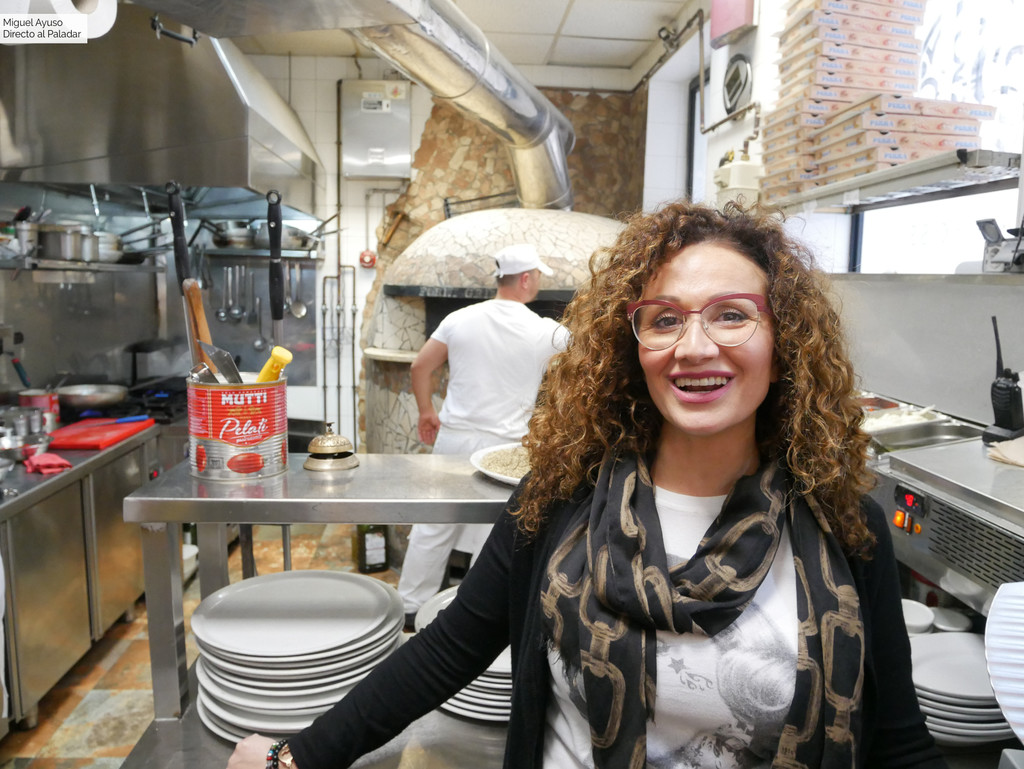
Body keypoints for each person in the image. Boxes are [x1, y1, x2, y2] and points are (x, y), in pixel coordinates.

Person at [228, 201, 947, 769]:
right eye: (664, 319)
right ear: (633, 348)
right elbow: (445, 651)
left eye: (732, 314)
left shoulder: (844, 529)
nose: (695, 346)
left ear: (783, 338)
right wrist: (298, 755)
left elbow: (898, 739)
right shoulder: (561, 499)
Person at [398, 242, 569, 622]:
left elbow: (420, 368)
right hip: (504, 451)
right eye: (537, 277)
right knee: (494, 534)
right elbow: (584, 366)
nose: (537, 284)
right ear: (526, 279)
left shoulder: (459, 319)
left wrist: (427, 411)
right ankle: (466, 621)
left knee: (433, 524)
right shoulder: (546, 331)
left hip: (454, 440)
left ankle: (409, 610)